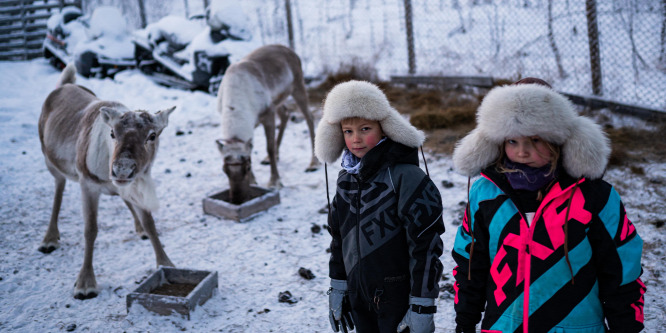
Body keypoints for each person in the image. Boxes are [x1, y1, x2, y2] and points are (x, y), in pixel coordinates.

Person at [451, 78, 646, 332]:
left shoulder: (593, 195)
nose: (522, 151)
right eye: (512, 141)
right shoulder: (486, 193)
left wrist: (626, 326)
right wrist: (464, 321)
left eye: (535, 140)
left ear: (557, 139)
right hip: (504, 326)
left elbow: (621, 267)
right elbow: (470, 263)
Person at [314, 80, 446, 333]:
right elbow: (338, 239)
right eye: (347, 131)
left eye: (365, 129)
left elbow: (426, 246)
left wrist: (421, 305)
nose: (356, 139)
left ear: (385, 128)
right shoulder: (346, 178)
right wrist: (338, 285)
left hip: (399, 300)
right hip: (358, 296)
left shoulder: (407, 178)